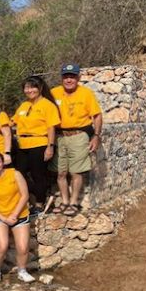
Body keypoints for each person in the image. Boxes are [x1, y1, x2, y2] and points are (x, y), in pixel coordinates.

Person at [50, 63, 103, 216]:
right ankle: (64, 202)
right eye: (66, 76)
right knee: (60, 172)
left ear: (78, 77)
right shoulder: (54, 93)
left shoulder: (86, 93)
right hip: (60, 137)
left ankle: (74, 203)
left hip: (79, 136)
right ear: (61, 78)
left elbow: (97, 115)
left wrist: (96, 136)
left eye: (72, 76)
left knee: (76, 172)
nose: (69, 80)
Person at [0, 152, 35, 283]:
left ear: (3, 162)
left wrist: (14, 215)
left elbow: (24, 195)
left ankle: (22, 270)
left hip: (19, 214)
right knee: (2, 245)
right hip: (0, 216)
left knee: (22, 247)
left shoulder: (15, 174)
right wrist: (4, 218)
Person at [12, 75, 60, 213]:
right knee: (18, 175)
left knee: (38, 175)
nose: (29, 90)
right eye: (26, 87)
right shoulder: (24, 105)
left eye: (33, 87)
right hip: (22, 145)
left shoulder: (47, 105)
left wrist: (50, 147)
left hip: (39, 143)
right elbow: (13, 121)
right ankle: (28, 200)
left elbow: (51, 127)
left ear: (40, 88)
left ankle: (39, 204)